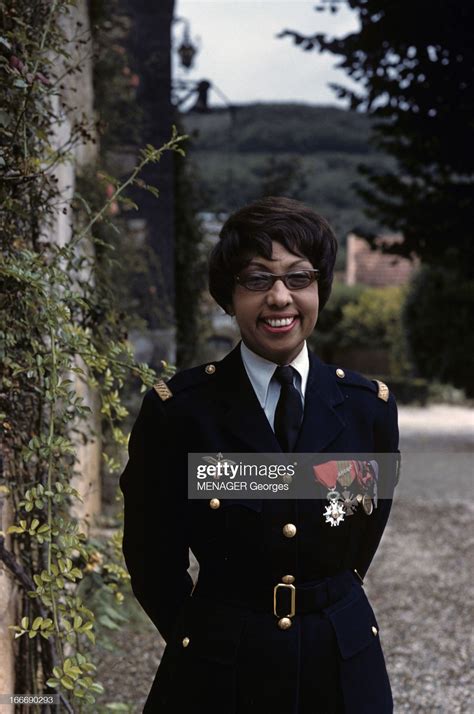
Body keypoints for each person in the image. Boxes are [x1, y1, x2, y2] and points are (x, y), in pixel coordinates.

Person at [119, 196, 400, 713]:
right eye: (256, 279)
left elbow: (359, 542)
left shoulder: (369, 411)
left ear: (320, 290)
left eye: (298, 278)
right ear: (229, 294)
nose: (279, 298)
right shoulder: (179, 414)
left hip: (340, 664)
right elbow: (152, 562)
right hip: (219, 669)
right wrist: (206, 637)